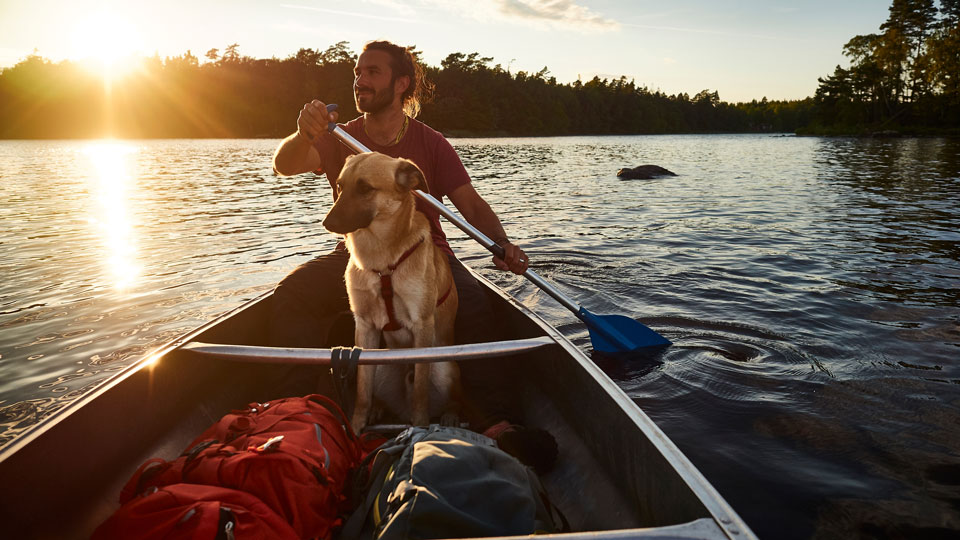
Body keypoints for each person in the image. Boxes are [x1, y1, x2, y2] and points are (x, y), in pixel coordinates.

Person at [270, 41, 555, 470]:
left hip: (424, 253)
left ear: (401, 84)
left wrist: (503, 245)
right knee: (291, 296)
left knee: (476, 307)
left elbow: (470, 205)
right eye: (357, 72)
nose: (360, 80)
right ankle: (299, 411)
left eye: (372, 72)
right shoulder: (338, 136)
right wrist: (304, 133)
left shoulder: (431, 143)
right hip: (356, 253)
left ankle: (496, 421)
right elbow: (286, 165)